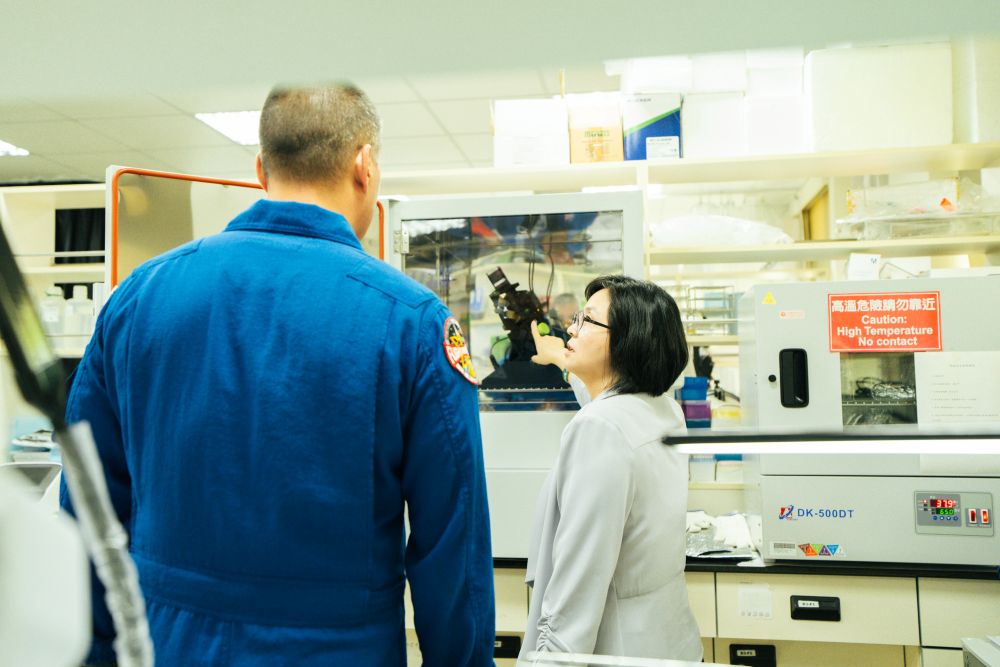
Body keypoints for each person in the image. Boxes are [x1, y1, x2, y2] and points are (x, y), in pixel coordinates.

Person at [60, 84, 495, 666]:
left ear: (261, 169)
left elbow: (88, 507)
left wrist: (93, 653)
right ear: (365, 165)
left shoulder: (139, 298)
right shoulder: (412, 324)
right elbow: (453, 549)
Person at [519, 275, 701, 661]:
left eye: (586, 319)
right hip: (667, 644)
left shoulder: (599, 428)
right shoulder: (663, 409)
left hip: (614, 651)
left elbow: (577, 585)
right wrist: (560, 357)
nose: (571, 328)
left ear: (627, 339)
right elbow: (604, 398)